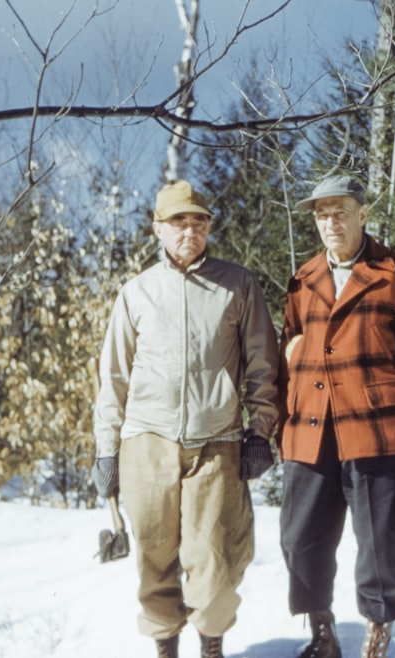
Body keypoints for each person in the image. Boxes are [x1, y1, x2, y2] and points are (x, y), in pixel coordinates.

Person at [91, 180, 279, 658]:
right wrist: (106, 451)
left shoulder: (238, 285)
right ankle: (165, 648)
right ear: (158, 228)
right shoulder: (136, 293)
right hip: (145, 444)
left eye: (199, 220)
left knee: (216, 561)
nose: (189, 229)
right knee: (154, 560)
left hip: (217, 441)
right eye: (179, 221)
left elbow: (262, 365)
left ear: (209, 227)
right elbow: (112, 377)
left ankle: (211, 646)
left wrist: (260, 432)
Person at [277, 174, 395, 658]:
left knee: (379, 545)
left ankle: (377, 631)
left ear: (363, 213)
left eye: (340, 212)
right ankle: (322, 631)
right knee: (299, 539)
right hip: (310, 429)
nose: (330, 222)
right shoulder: (302, 279)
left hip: (376, 431)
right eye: (321, 214)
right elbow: (289, 348)